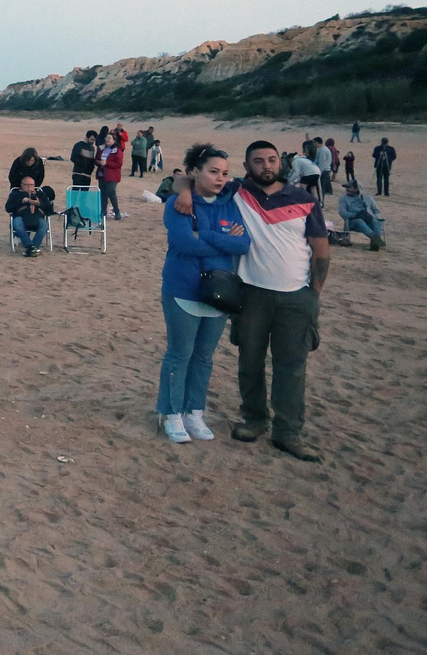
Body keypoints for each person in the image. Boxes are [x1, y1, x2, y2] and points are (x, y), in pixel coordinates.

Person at [182, 141, 328, 462]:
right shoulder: (236, 192)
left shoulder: (304, 199)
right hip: (251, 294)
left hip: (296, 297)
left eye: (272, 160)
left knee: (291, 367)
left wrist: (313, 295)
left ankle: (288, 432)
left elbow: (320, 250)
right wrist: (183, 191)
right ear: (247, 167)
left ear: (282, 163)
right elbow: (185, 179)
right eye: (258, 161)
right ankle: (254, 419)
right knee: (250, 361)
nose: (266, 166)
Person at [158, 144, 250, 444]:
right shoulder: (178, 203)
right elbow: (185, 242)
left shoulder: (230, 202)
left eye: (224, 172)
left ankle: (194, 412)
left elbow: (243, 243)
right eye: (213, 171)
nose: (220, 178)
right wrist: (224, 238)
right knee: (179, 355)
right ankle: (171, 414)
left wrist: (207, 235)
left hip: (221, 293)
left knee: (204, 357)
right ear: (195, 172)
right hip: (183, 289)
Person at [6, 176, 54, 256]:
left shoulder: (40, 194)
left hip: (37, 216)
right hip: (21, 216)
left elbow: (49, 209)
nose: (29, 187)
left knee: (44, 226)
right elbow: (8, 208)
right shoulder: (15, 194)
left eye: (31, 185)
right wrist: (22, 201)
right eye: (26, 185)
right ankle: (30, 247)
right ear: (21, 185)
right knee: (17, 224)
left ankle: (32, 248)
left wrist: (39, 203)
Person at [336, 181, 386, 250]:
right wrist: (356, 215)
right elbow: (342, 212)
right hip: (352, 222)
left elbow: (376, 210)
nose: (347, 189)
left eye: (349, 187)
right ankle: (376, 239)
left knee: (377, 222)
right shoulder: (343, 199)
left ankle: (374, 244)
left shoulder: (368, 198)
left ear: (357, 189)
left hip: (368, 219)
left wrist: (375, 217)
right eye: (346, 187)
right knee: (359, 221)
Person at [95, 132, 126, 220]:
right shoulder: (101, 149)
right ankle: (103, 212)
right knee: (103, 194)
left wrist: (107, 163)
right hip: (102, 174)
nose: (107, 140)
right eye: (106, 138)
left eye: (109, 138)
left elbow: (119, 164)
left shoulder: (117, 151)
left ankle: (116, 211)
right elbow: (96, 159)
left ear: (114, 140)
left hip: (112, 176)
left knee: (111, 192)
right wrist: (98, 162)